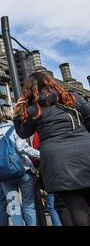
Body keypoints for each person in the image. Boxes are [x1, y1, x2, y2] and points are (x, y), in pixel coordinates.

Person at [14, 71, 90, 226]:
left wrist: (17, 113)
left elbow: (23, 133)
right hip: (86, 151)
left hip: (58, 161)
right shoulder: (72, 98)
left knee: (77, 209)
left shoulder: (33, 110)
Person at [0, 109, 40, 226]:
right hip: (24, 171)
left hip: (5, 176)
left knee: (14, 208)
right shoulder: (15, 130)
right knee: (28, 205)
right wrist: (41, 155)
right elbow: (23, 148)